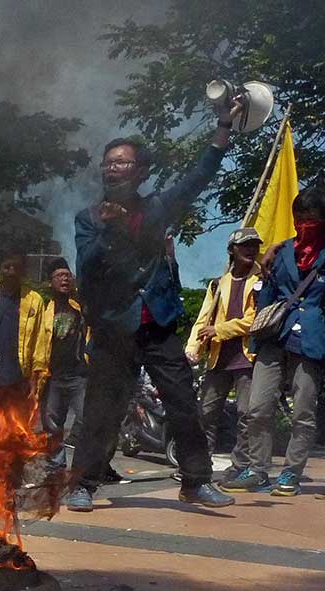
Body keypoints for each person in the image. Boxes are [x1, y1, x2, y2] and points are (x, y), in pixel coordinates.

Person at [66, 97, 243, 512]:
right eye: (108, 163)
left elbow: (199, 176)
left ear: (141, 172)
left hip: (157, 322)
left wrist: (223, 127)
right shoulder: (89, 219)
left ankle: (196, 482)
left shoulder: (158, 207)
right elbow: (87, 267)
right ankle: (83, 483)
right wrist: (108, 231)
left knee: (182, 402)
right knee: (101, 410)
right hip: (113, 327)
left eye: (122, 162)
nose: (113, 168)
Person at [227, 189, 325, 497]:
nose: (306, 225)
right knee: (257, 407)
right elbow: (268, 295)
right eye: (301, 219)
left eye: (313, 220)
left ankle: (291, 474)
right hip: (275, 337)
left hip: (311, 342)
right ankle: (257, 470)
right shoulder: (281, 253)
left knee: (303, 413)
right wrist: (255, 343)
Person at [185, 228, 262, 485]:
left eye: (254, 245)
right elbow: (203, 319)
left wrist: (219, 330)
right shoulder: (218, 284)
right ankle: (200, 465)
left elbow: (255, 320)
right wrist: (193, 347)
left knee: (246, 414)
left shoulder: (262, 281)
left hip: (248, 357)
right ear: (232, 250)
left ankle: (240, 466)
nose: (251, 250)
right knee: (206, 412)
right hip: (218, 358)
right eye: (245, 246)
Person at [36, 257, 88, 471]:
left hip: (79, 375)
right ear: (51, 282)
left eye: (67, 275)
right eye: (59, 276)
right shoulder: (43, 308)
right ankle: (55, 466)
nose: (64, 279)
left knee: (87, 419)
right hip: (53, 376)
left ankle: (84, 467)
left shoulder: (80, 305)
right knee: (51, 424)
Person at [0, 251, 46, 395]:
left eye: (16, 267)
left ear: (23, 270)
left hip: (19, 379)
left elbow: (40, 343)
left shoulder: (34, 301)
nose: (12, 272)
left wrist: (35, 378)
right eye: (7, 267)